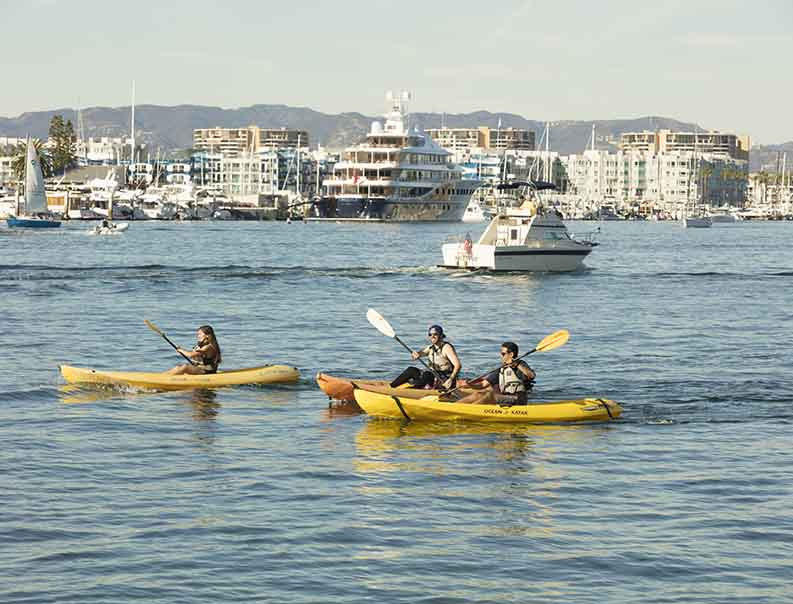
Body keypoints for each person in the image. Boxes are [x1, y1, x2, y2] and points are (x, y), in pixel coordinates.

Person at [457, 341, 535, 405]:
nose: (501, 356)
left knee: (490, 395)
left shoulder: (521, 365)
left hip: (518, 400)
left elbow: (531, 375)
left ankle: (470, 411)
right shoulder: (501, 368)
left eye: (503, 354)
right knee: (479, 394)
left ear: (511, 354)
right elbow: (483, 384)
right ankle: (456, 407)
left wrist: (516, 364)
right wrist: (470, 385)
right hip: (504, 398)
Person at [390, 324, 461, 390]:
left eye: (435, 334)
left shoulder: (446, 348)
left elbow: (458, 365)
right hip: (432, 377)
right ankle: (391, 387)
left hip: (444, 380)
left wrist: (450, 379)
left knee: (427, 374)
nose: (432, 336)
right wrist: (416, 354)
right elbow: (420, 353)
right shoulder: (431, 347)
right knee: (411, 370)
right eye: (430, 334)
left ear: (441, 335)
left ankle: (412, 390)